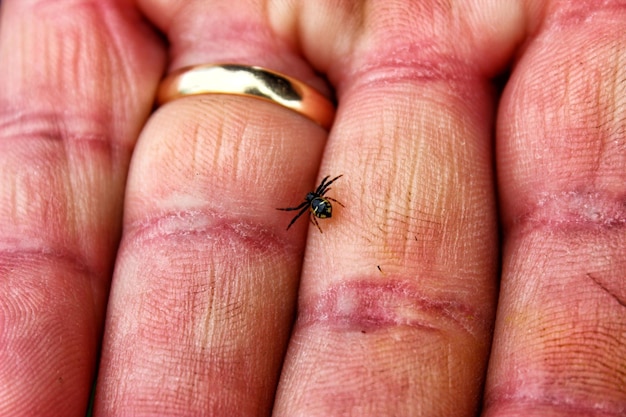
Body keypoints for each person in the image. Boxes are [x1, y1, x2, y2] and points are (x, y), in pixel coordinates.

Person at [0, 0, 624, 416]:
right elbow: (319, 200)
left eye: (316, 199)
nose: (315, 201)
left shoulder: (320, 199)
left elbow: (323, 199)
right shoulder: (317, 200)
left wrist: (321, 202)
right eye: (315, 200)